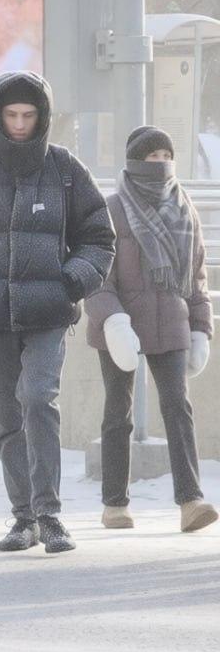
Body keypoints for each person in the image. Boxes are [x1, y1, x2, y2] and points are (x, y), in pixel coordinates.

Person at [0, 71, 115, 554]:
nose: (18, 124)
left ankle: (50, 515)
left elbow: (99, 238)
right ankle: (23, 518)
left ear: (43, 117)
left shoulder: (66, 170)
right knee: (7, 413)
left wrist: (69, 282)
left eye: (28, 115)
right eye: (10, 115)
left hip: (49, 313)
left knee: (37, 398)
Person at [86, 126, 216, 533]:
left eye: (165, 156)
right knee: (117, 412)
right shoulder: (111, 209)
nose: (159, 164)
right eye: (151, 157)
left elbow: (196, 278)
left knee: (178, 408)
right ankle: (115, 504)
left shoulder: (184, 208)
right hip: (122, 322)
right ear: (133, 162)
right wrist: (113, 320)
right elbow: (96, 276)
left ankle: (191, 501)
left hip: (172, 320)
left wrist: (201, 329)